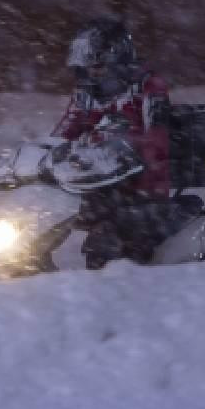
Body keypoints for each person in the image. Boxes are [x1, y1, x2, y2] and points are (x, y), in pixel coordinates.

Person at [51, 19, 180, 269]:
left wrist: (124, 154)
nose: (89, 75)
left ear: (115, 60)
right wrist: (46, 154)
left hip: (139, 190)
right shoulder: (88, 93)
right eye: (85, 69)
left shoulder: (148, 87)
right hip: (96, 185)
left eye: (96, 67)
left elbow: (156, 143)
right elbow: (66, 128)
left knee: (104, 244)